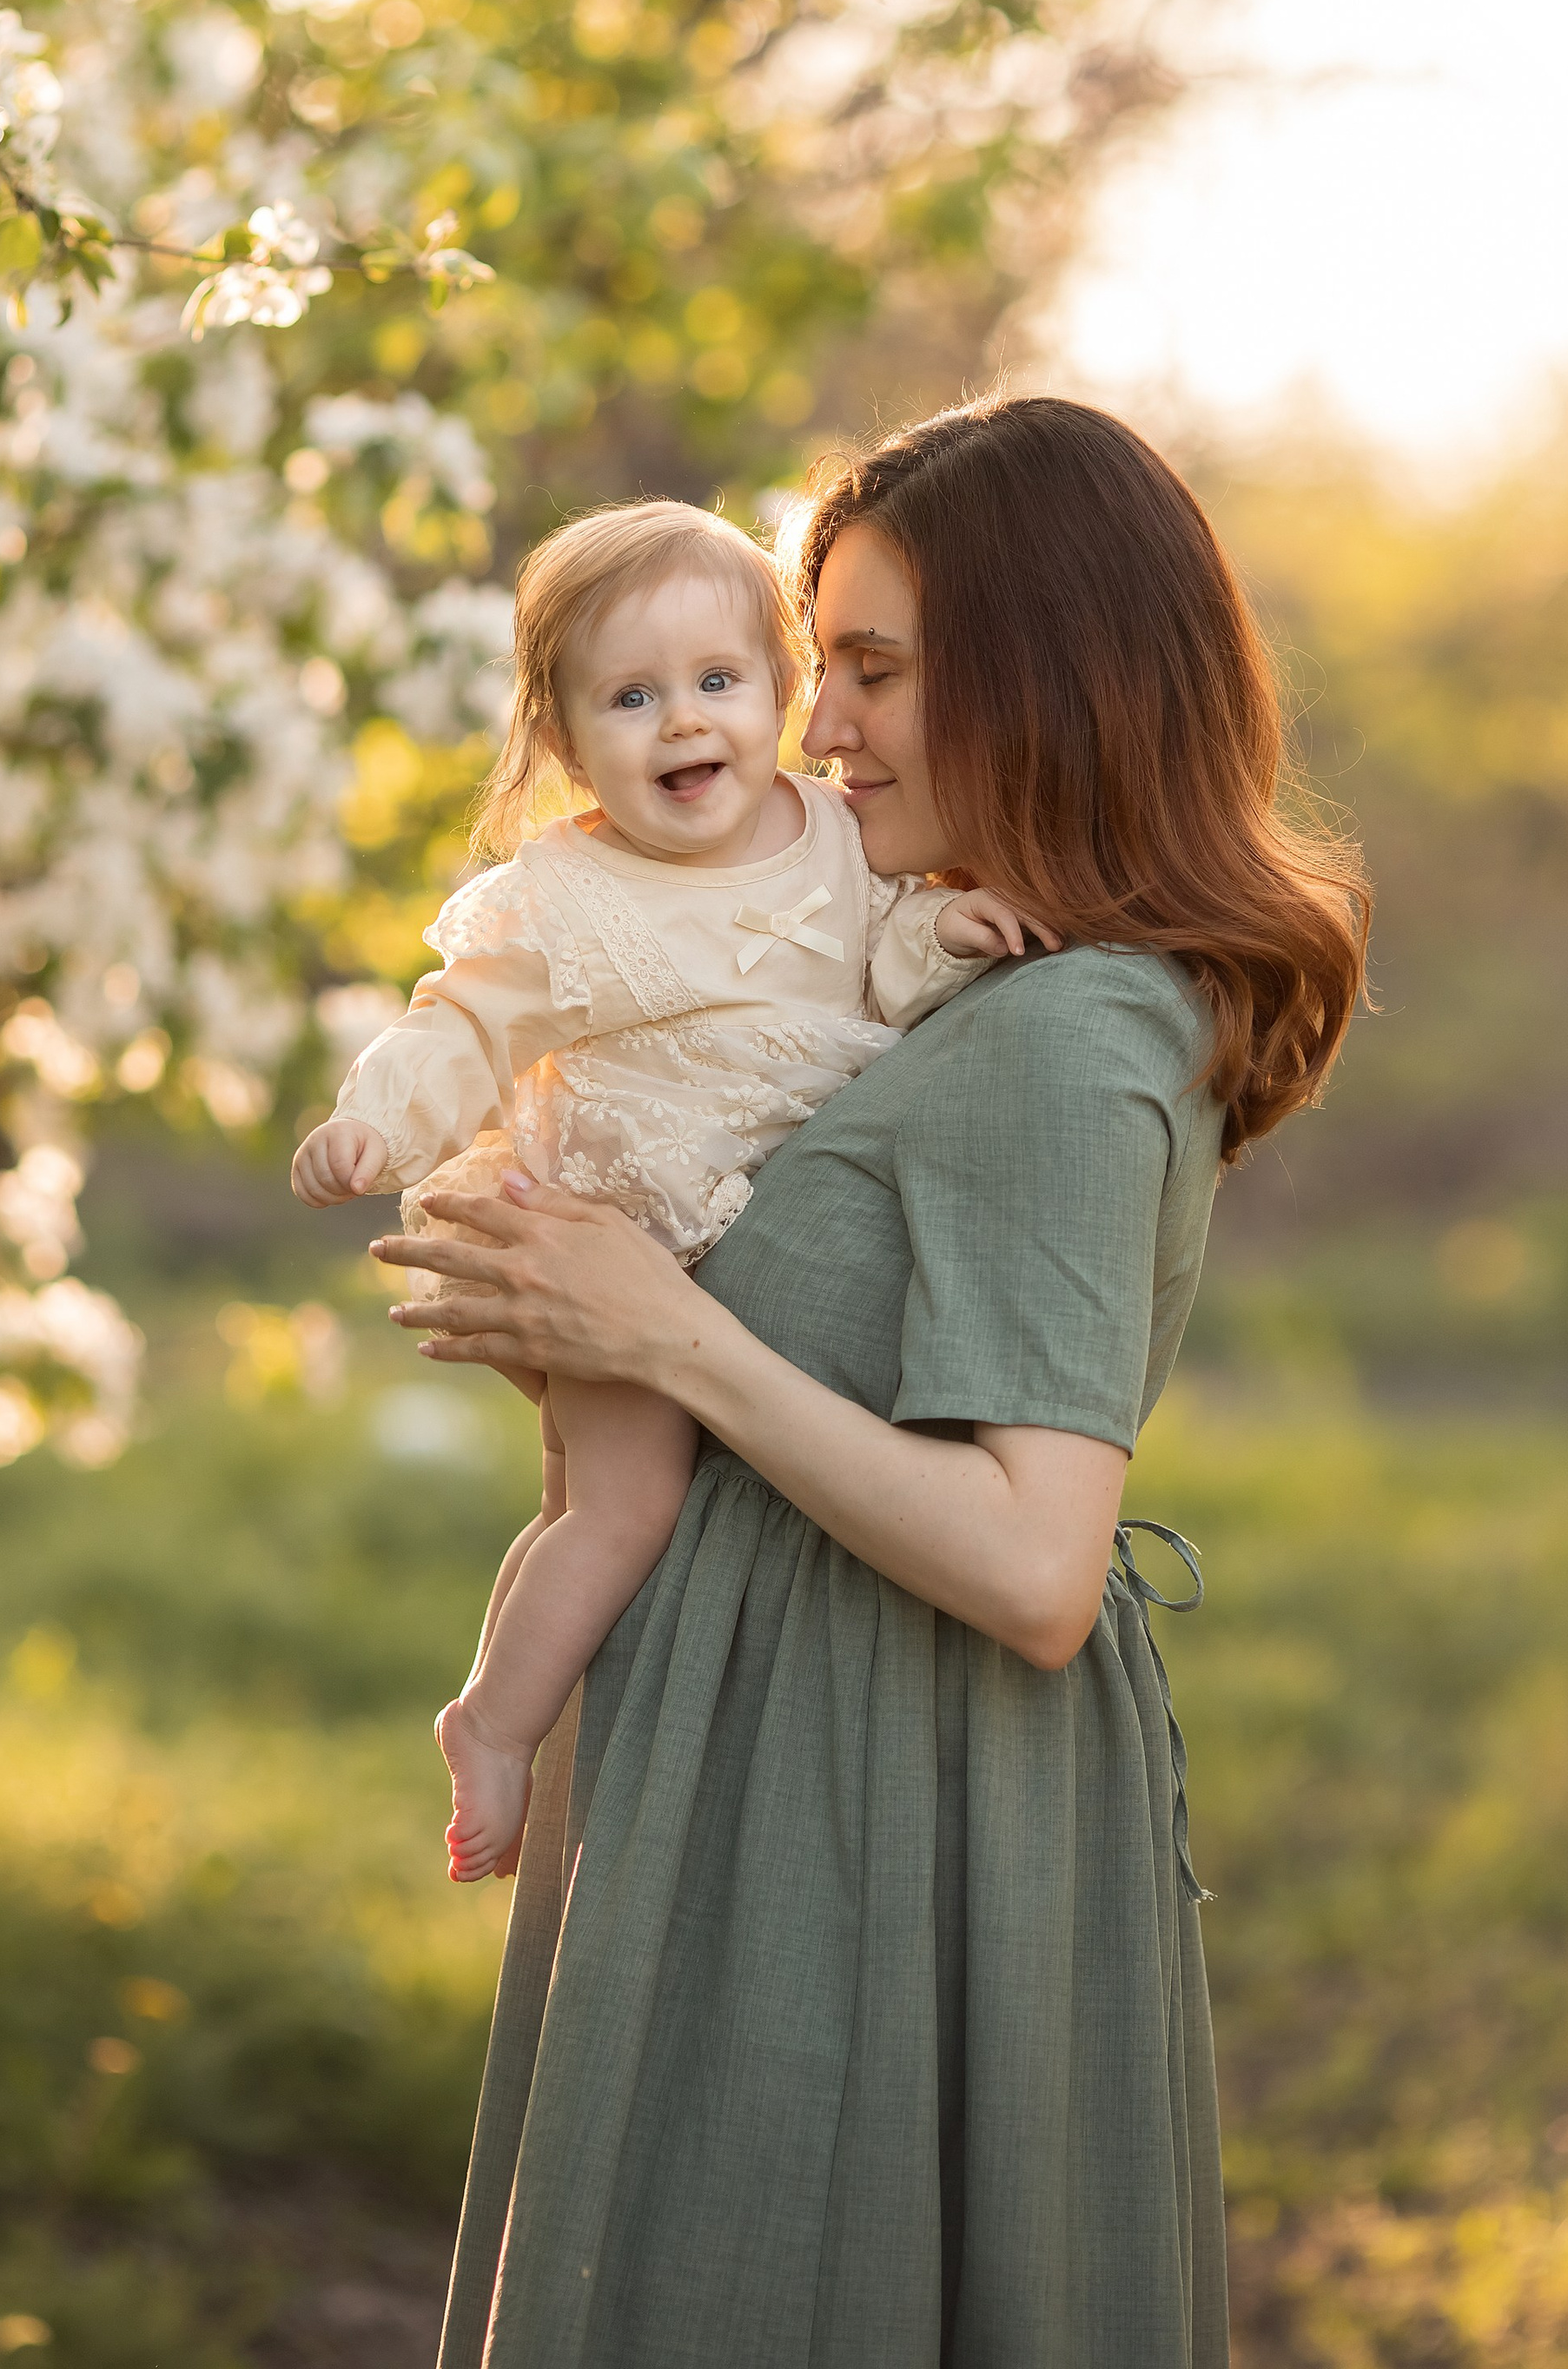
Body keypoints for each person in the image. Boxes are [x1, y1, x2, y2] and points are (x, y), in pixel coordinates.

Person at [395, 397, 1369, 2369]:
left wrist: (662, 1335)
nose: (812, 728)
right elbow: (787, 1376)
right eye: (814, 661)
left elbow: (1029, 1565)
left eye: (869, 667)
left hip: (874, 1796)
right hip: (765, 1753)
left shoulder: (1072, 1034)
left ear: (1048, 670)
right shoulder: (952, 988)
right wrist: (581, 1316)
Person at [290, 500, 1046, 1879]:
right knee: (626, 1510)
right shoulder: (566, 895)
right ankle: (496, 1731)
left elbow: (885, 958)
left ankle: (521, 1708)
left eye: (717, 681)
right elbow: (461, 1025)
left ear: (780, 691)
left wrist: (950, 931)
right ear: (568, 742)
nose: (684, 722)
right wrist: (376, 1125)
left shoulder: (835, 838)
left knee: (579, 1505)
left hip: (716, 1236)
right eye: (631, 697)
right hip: (614, 1232)